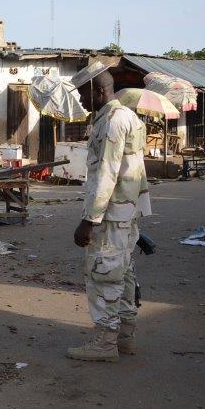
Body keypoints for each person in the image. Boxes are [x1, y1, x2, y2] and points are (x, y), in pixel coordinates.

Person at [68, 70, 150, 362]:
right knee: (124, 272)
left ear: (97, 90)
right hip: (125, 213)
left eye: (82, 93)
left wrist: (89, 220)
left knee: (103, 275)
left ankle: (105, 344)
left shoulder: (112, 122)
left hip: (110, 215)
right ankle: (125, 337)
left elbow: (107, 173)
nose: (80, 99)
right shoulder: (127, 116)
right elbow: (136, 172)